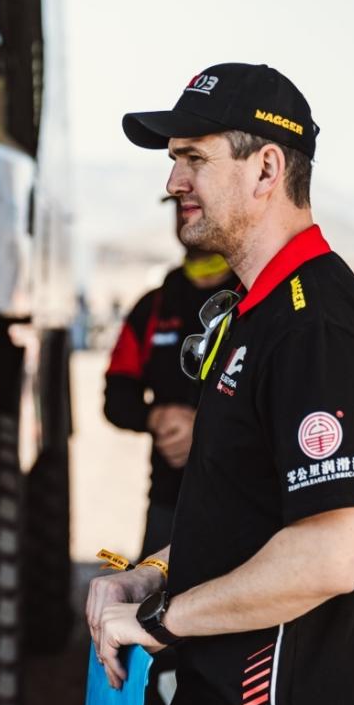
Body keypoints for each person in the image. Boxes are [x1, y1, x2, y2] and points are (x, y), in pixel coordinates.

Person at [86, 63, 354, 705]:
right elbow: (247, 517)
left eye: (194, 159)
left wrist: (160, 620)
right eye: (175, 160)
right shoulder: (259, 314)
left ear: (266, 168)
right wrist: (151, 575)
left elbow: (329, 553)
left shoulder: (315, 327)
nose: (173, 182)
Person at [104, 195, 238, 561]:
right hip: (168, 502)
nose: (184, 211)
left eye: (195, 202)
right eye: (178, 205)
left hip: (242, 500)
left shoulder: (256, 297)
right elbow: (116, 397)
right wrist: (156, 417)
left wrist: (206, 428)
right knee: (149, 592)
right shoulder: (152, 306)